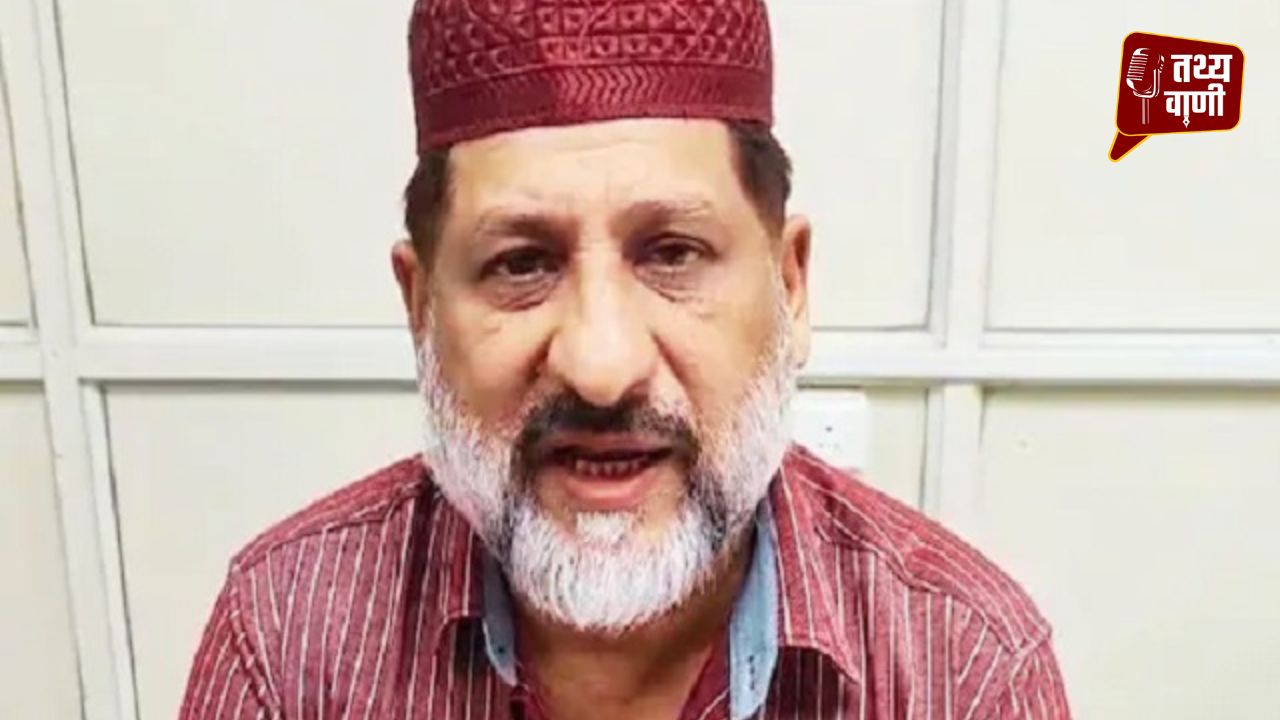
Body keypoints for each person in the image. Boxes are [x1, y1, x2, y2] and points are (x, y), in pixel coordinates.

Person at [178, 1, 1071, 718]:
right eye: (520, 264)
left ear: (790, 286)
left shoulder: (963, 668)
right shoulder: (287, 634)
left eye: (672, 253)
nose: (601, 367)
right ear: (421, 309)